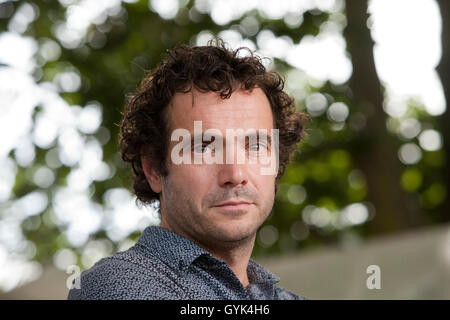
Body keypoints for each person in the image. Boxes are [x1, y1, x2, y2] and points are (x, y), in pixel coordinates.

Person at [68, 39, 309, 300]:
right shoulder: (117, 285)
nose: (235, 175)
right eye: (204, 147)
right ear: (154, 169)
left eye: (256, 145)